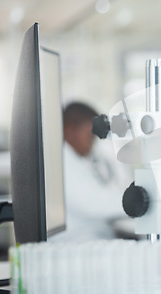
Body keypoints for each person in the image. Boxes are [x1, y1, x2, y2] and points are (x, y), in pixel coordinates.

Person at [55, 101, 128, 242]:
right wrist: (139, 201)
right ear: (69, 130)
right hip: (79, 242)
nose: (92, 143)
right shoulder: (62, 159)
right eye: (90, 137)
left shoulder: (75, 159)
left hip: (93, 237)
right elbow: (94, 204)